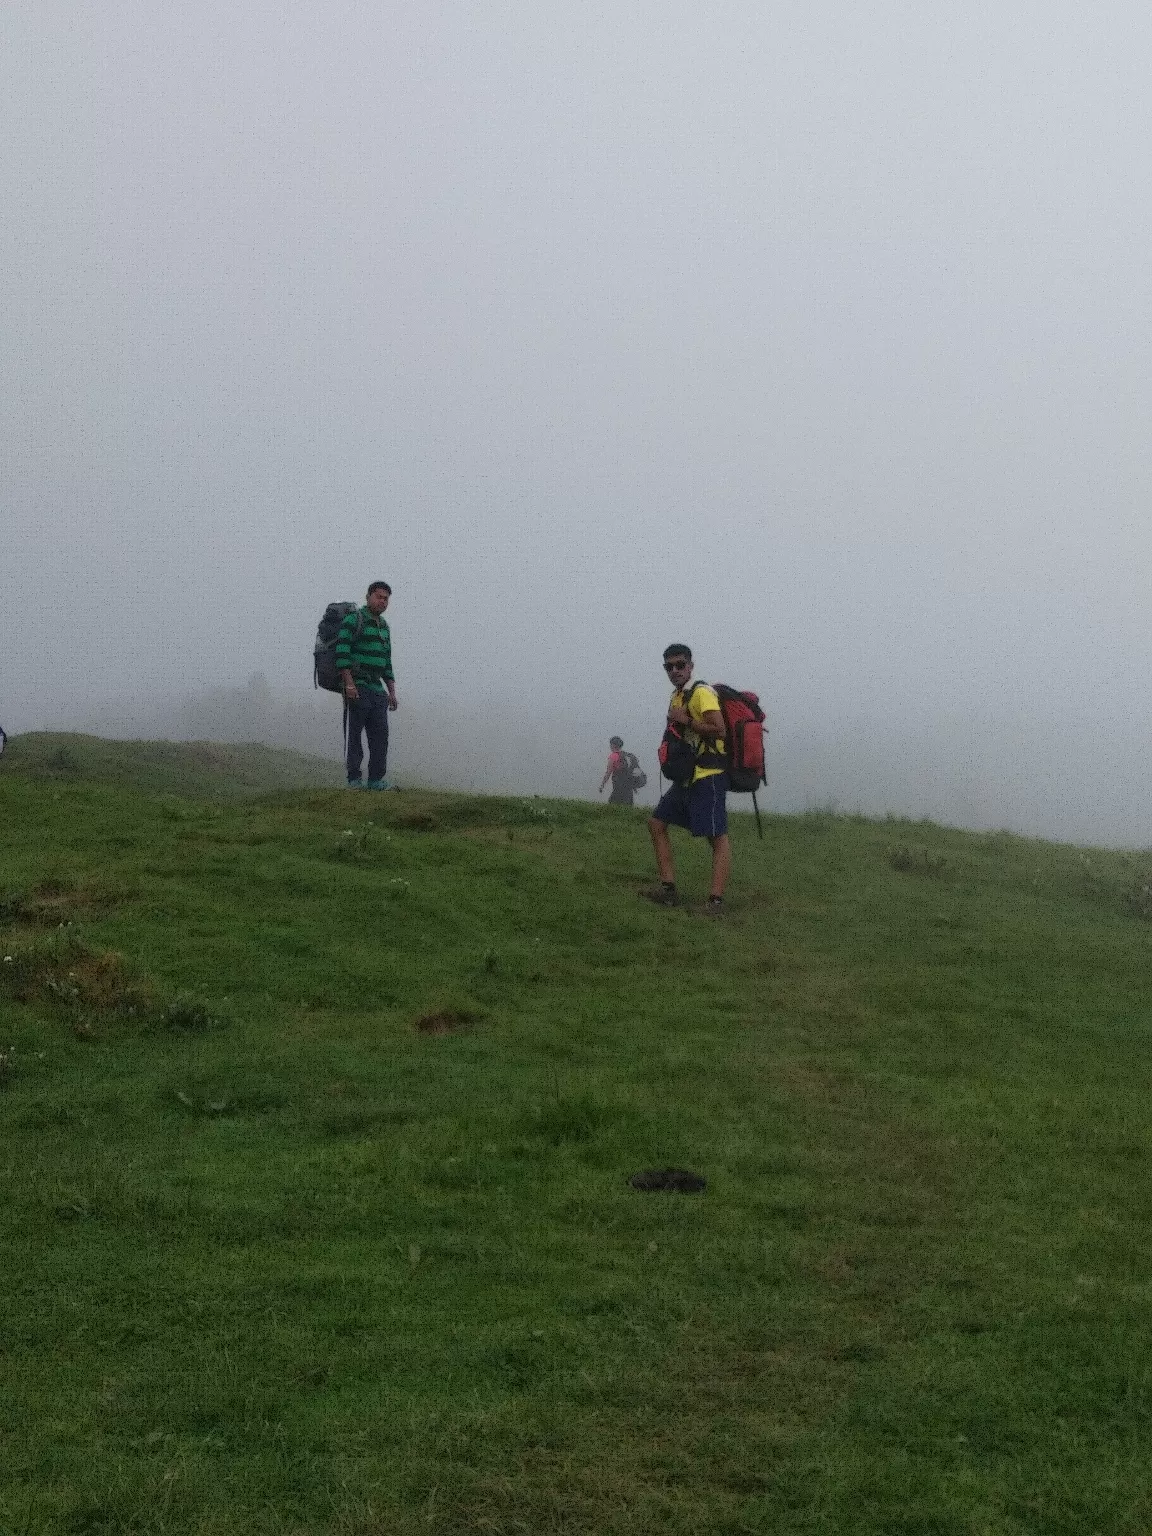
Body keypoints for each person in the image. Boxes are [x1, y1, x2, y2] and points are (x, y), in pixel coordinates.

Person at [647, 644, 730, 914]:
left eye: (680, 665)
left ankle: (715, 902)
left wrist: (687, 721)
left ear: (691, 666)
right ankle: (668, 890)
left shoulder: (702, 694)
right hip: (687, 776)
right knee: (657, 822)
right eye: (669, 667)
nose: (675, 671)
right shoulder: (678, 696)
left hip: (708, 776)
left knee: (716, 837)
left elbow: (720, 730)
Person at [336, 581, 398, 789]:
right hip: (358, 687)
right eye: (379, 597)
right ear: (368, 597)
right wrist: (350, 685)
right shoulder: (354, 620)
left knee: (380, 736)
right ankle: (354, 779)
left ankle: (375, 780)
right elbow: (342, 653)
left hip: (377, 690)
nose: (383, 601)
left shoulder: (384, 627)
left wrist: (392, 692)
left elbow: (386, 661)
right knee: (355, 735)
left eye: (386, 598)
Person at [599, 736, 637, 806]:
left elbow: (608, 772)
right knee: (628, 806)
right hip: (629, 784)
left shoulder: (613, 756)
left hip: (619, 784)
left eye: (610, 744)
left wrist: (602, 785)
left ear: (613, 745)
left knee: (613, 804)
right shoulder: (627, 756)